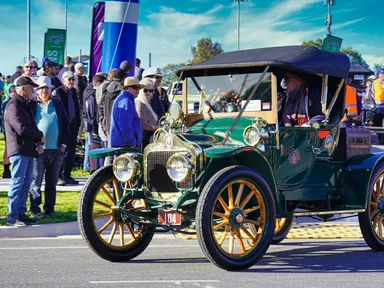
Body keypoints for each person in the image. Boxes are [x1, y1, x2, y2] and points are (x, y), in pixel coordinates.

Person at [5, 77, 44, 227]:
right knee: (17, 183)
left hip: (27, 149)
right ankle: (12, 217)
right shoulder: (13, 105)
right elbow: (21, 129)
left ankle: (21, 213)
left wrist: (38, 142)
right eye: (31, 88)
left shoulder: (25, 105)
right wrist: (39, 135)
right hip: (18, 149)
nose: (33, 91)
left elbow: (31, 125)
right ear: (22, 89)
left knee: (25, 184)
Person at [29, 76, 69, 218]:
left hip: (57, 149)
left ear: (51, 89)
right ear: (37, 91)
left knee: (51, 182)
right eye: (41, 88)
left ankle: (49, 208)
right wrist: (36, 143)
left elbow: (66, 124)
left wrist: (64, 144)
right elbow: (29, 126)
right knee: (36, 182)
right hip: (39, 150)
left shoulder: (58, 104)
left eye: (47, 88)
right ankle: (34, 209)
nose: (44, 90)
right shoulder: (33, 105)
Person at [52, 71, 81, 186]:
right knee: (61, 152)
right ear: (63, 80)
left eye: (73, 79)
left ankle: (67, 175)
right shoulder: (58, 92)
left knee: (71, 152)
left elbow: (77, 109)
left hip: (72, 125)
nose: (71, 82)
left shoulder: (74, 92)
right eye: (69, 79)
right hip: (62, 126)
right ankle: (57, 175)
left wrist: (78, 124)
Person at [110, 77, 144, 148]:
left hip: (122, 143)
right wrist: (132, 142)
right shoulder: (126, 101)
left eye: (138, 88)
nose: (137, 90)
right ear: (127, 88)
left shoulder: (124, 99)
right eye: (135, 87)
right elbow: (125, 125)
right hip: (124, 144)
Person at [84, 74, 105, 174]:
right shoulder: (93, 94)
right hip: (95, 123)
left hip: (91, 122)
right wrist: (95, 122)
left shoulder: (88, 92)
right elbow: (93, 110)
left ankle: (93, 168)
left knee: (93, 145)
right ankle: (93, 169)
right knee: (94, 146)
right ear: (98, 84)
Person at [98, 68, 125, 149]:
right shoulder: (123, 92)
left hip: (107, 125)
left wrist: (103, 123)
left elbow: (100, 108)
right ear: (123, 78)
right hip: (118, 127)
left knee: (109, 154)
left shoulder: (105, 88)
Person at [135, 78, 159, 149]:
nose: (148, 93)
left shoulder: (147, 102)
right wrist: (155, 127)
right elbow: (141, 123)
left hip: (149, 137)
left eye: (151, 90)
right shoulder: (139, 102)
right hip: (144, 138)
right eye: (145, 90)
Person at [1, 83, 16, 178]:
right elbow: (4, 118)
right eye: (11, 91)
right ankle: (6, 170)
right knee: (7, 149)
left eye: (14, 91)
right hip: (7, 129)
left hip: (15, 129)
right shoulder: (6, 102)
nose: (13, 93)